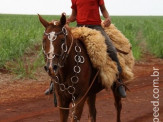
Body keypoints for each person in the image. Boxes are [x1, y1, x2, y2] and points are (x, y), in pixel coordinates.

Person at [67, 0, 126, 98]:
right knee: (63, 48)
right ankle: (54, 83)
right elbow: (74, 15)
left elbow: (103, 9)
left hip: (96, 27)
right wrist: (67, 20)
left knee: (111, 49)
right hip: (80, 27)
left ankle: (119, 80)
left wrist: (108, 18)